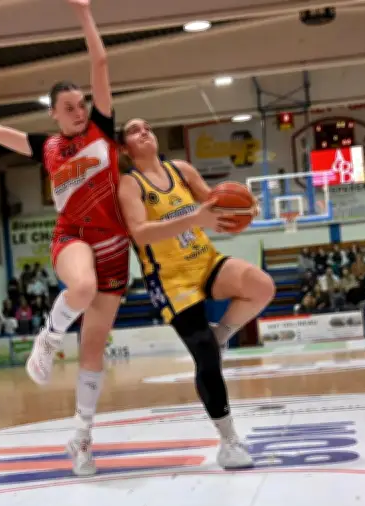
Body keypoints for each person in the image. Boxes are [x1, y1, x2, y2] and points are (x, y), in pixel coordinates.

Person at [0, 0, 128, 476]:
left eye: (81, 104)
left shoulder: (102, 129)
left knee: (93, 351)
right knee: (82, 287)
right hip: (73, 238)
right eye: (68, 107)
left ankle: (81, 438)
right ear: (53, 114)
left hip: (115, 247)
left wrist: (84, 12)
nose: (78, 111)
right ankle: (48, 338)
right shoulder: (46, 147)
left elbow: (100, 62)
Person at [117, 118, 276, 469]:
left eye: (147, 127)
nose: (144, 131)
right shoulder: (130, 184)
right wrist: (193, 220)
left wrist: (244, 210)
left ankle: (222, 334)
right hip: (170, 278)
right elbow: (140, 233)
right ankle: (229, 441)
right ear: (125, 148)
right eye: (134, 130)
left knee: (262, 286)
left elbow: (215, 206)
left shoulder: (182, 170)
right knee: (206, 357)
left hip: (205, 260)